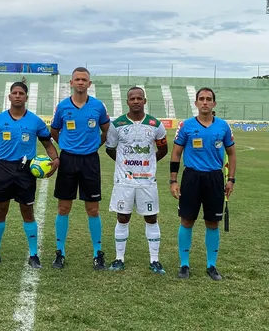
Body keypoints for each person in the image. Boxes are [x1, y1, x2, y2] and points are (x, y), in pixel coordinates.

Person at [0, 82, 59, 268]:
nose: (17, 96)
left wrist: (55, 160)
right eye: (14, 93)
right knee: (0, 209)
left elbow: (48, 144)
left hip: (26, 171)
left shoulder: (35, 121)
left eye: (21, 93)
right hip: (3, 168)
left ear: (26, 97)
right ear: (9, 97)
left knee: (27, 211)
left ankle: (34, 255)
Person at [170, 87, 236, 281]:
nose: (205, 102)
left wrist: (231, 179)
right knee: (187, 220)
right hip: (191, 177)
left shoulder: (223, 126)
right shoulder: (186, 126)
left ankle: (211, 265)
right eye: (201, 99)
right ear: (196, 103)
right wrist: (173, 180)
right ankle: (184, 264)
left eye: (209, 99)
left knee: (212, 222)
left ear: (214, 103)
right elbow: (176, 153)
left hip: (215, 178)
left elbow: (231, 154)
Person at [50, 66, 110, 270]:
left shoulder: (98, 107)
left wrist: (95, 145)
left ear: (89, 84)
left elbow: (106, 130)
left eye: (84, 79)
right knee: (63, 207)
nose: (80, 82)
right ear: (71, 83)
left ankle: (97, 253)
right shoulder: (63, 107)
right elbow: (55, 130)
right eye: (77, 79)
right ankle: (60, 252)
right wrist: (66, 146)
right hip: (68, 160)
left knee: (92, 209)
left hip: (90, 161)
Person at [105, 87, 168, 274]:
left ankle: (155, 260)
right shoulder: (117, 125)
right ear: (127, 102)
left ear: (144, 101)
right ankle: (119, 258)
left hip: (147, 182)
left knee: (151, 217)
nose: (135, 101)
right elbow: (110, 148)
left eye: (139, 98)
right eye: (132, 98)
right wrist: (124, 164)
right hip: (124, 181)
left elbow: (163, 149)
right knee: (122, 217)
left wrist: (148, 165)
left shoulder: (155, 124)